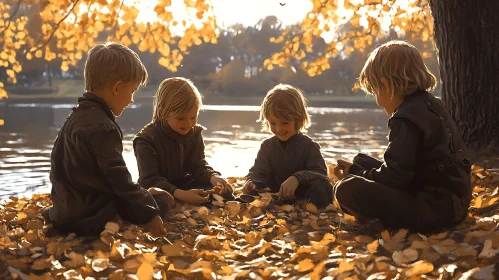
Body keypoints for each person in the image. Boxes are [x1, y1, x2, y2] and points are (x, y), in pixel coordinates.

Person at [333, 40, 472, 232]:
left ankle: (379, 223)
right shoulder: (433, 104)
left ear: (386, 86)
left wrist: (356, 174)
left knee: (346, 189)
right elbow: (405, 168)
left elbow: (395, 177)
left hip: (433, 209)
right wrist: (358, 168)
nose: (377, 101)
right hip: (453, 201)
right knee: (361, 160)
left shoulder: (405, 119)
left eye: (375, 92)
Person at [47, 42, 173, 237]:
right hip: (92, 217)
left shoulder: (72, 120)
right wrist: (150, 211)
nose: (131, 100)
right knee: (161, 203)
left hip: (64, 211)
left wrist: (143, 193)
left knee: (145, 195)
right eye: (131, 91)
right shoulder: (104, 128)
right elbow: (119, 179)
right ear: (116, 88)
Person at [133, 77, 232, 205]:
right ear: (164, 111)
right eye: (181, 118)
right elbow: (150, 179)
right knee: (161, 201)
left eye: (193, 117)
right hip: (158, 189)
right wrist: (180, 194)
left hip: (185, 184)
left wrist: (213, 177)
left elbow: (198, 165)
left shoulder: (194, 133)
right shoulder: (145, 140)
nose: (188, 123)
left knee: (224, 191)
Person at [243, 84, 333, 208]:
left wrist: (297, 178)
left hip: (304, 193)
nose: (279, 128)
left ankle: (310, 208)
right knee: (252, 190)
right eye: (273, 123)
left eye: (285, 123)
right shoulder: (267, 146)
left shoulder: (309, 146)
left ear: (299, 119)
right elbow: (258, 172)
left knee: (320, 186)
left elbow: (321, 174)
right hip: (277, 194)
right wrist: (252, 182)